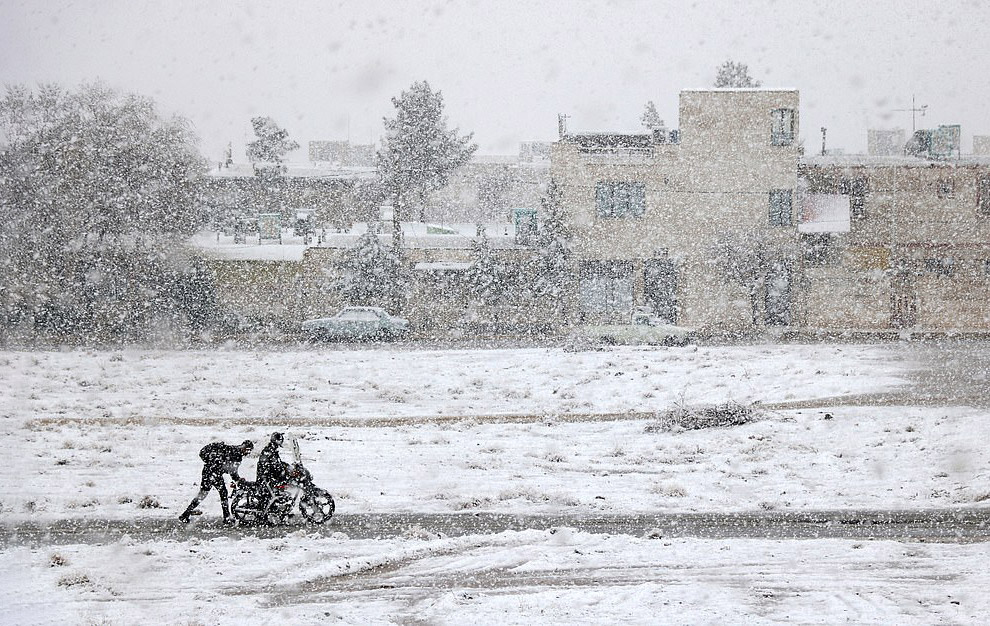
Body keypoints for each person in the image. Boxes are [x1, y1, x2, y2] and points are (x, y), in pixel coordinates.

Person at [178, 439, 254, 523]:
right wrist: (238, 479)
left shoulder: (230, 450)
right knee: (223, 493)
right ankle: (226, 517)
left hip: (208, 471)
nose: (248, 453)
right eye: (248, 450)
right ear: (244, 448)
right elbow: (232, 471)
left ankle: (185, 514)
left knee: (203, 494)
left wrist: (211, 463)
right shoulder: (236, 455)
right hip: (214, 474)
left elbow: (231, 469)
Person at [257, 432, 293, 507]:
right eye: (280, 440)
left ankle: (281, 507)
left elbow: (276, 462)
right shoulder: (268, 450)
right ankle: (263, 512)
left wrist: (286, 466)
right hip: (265, 478)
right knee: (269, 494)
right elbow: (265, 464)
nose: (281, 441)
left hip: (271, 476)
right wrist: (275, 469)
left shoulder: (273, 450)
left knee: (285, 483)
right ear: (276, 440)